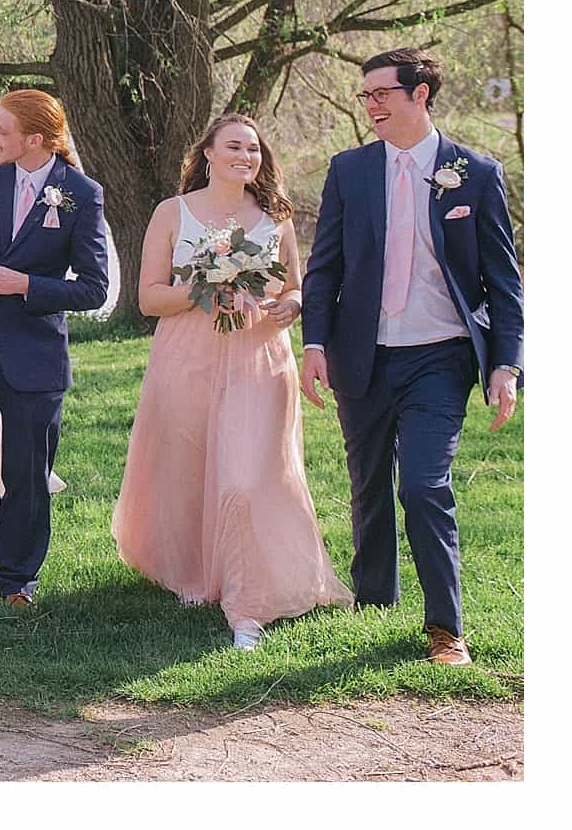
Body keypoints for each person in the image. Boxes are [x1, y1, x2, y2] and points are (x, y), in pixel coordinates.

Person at [300, 49, 523, 666]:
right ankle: (374, 599)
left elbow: (504, 282)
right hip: (362, 355)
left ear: (419, 94)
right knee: (368, 483)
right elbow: (325, 268)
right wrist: (314, 345)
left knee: (424, 487)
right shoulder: (349, 170)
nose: (369, 104)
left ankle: (445, 629)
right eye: (365, 94)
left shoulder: (474, 173)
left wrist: (506, 365)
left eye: (381, 93)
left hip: (441, 357)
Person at [113, 114, 348, 646]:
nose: (247, 156)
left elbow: (293, 289)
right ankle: (195, 575)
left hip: (258, 358)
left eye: (255, 149)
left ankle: (247, 605)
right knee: (189, 468)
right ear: (209, 155)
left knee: (245, 479)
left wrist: (286, 308)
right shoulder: (172, 213)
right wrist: (203, 288)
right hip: (186, 357)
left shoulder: (276, 218)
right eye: (235, 147)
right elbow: (150, 298)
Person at [0, 88, 108, 604]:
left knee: (27, 471)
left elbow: (95, 287)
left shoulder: (81, 193)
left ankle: (17, 581)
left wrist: (28, 285)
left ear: (34, 138)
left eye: (1, 130)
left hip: (36, 352)